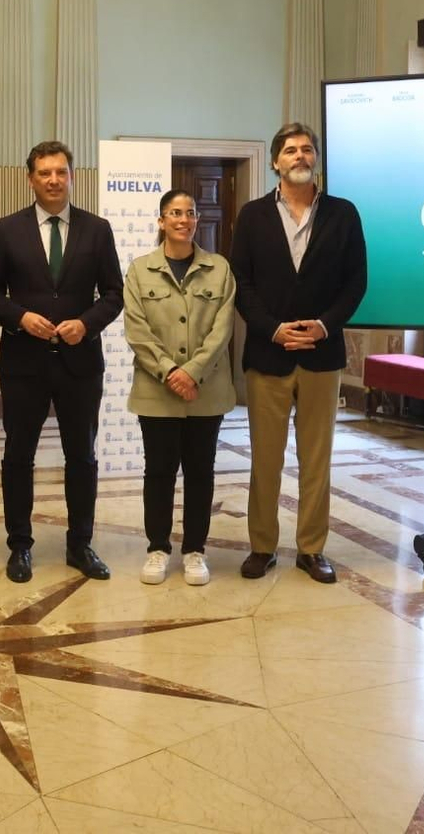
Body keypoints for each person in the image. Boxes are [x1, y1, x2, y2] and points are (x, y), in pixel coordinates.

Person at [0, 140, 123, 584]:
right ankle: (20, 545)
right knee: (18, 455)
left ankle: (80, 544)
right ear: (31, 179)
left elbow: (114, 294)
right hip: (24, 363)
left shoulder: (97, 229)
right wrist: (20, 317)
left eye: (61, 172)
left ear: (72, 176)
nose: (54, 180)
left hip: (81, 362)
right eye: (44, 173)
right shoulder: (7, 229)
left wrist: (87, 323)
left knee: (82, 456)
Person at [231, 123, 366, 584]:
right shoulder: (251, 216)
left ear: (316, 160)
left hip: (322, 356)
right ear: (275, 162)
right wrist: (273, 331)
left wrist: (324, 326)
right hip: (268, 356)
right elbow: (241, 284)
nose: (300, 156)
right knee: (265, 459)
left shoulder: (343, 214)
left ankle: (311, 549)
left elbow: (356, 282)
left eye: (307, 150)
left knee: (317, 460)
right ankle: (262, 546)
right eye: (291, 150)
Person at [123, 189, 236, 586]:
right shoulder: (140, 270)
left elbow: (223, 330)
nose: (183, 219)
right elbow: (137, 330)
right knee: (159, 472)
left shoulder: (219, 268)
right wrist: (172, 372)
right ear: (161, 221)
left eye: (190, 212)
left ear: (196, 220)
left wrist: (193, 372)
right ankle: (157, 548)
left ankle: (194, 550)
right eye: (174, 213)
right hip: (157, 392)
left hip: (207, 391)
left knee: (201, 472)